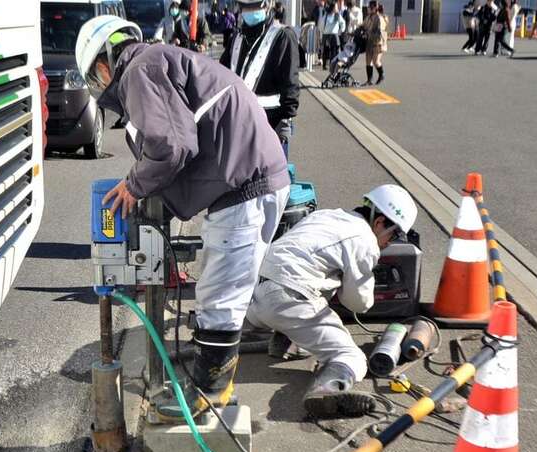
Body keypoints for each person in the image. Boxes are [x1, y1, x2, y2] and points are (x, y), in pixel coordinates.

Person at [75, 15, 292, 421]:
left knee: (219, 298)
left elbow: (170, 146)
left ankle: (208, 398)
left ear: (105, 64)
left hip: (245, 185)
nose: (98, 84)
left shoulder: (139, 71)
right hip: (249, 178)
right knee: (218, 290)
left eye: (94, 76)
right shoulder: (155, 61)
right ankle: (211, 392)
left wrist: (134, 186)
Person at [245, 185, 418, 417]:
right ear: (379, 223)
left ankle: (284, 339)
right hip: (287, 299)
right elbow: (358, 303)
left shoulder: (327, 215)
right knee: (352, 357)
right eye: (395, 235)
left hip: (254, 295)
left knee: (318, 289)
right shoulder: (365, 240)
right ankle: (325, 391)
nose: (390, 243)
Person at [221, 0, 301, 157]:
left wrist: (286, 121)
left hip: (271, 125)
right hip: (238, 125)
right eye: (245, 7)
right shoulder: (237, 37)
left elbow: (290, 83)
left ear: (267, 5)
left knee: (269, 179)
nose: (249, 11)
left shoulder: (283, 36)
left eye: (255, 5)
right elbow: (221, 73)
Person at [363, 1, 388, 84]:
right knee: (368, 61)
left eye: (369, 7)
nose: (367, 9)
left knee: (376, 61)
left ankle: (381, 74)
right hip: (370, 41)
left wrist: (369, 33)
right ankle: (369, 80)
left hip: (378, 42)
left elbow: (380, 31)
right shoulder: (368, 17)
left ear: (374, 8)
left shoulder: (379, 18)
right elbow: (364, 25)